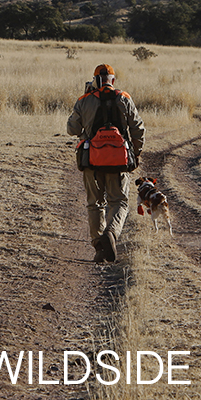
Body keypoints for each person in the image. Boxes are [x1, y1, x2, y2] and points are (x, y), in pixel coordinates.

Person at [67, 64, 145, 263]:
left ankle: (99, 247)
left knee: (95, 204)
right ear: (113, 80)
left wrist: (86, 101)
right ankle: (111, 232)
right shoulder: (124, 98)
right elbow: (138, 128)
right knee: (119, 201)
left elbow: (72, 129)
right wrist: (135, 153)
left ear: (95, 80)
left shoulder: (84, 100)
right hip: (118, 160)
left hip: (91, 160)